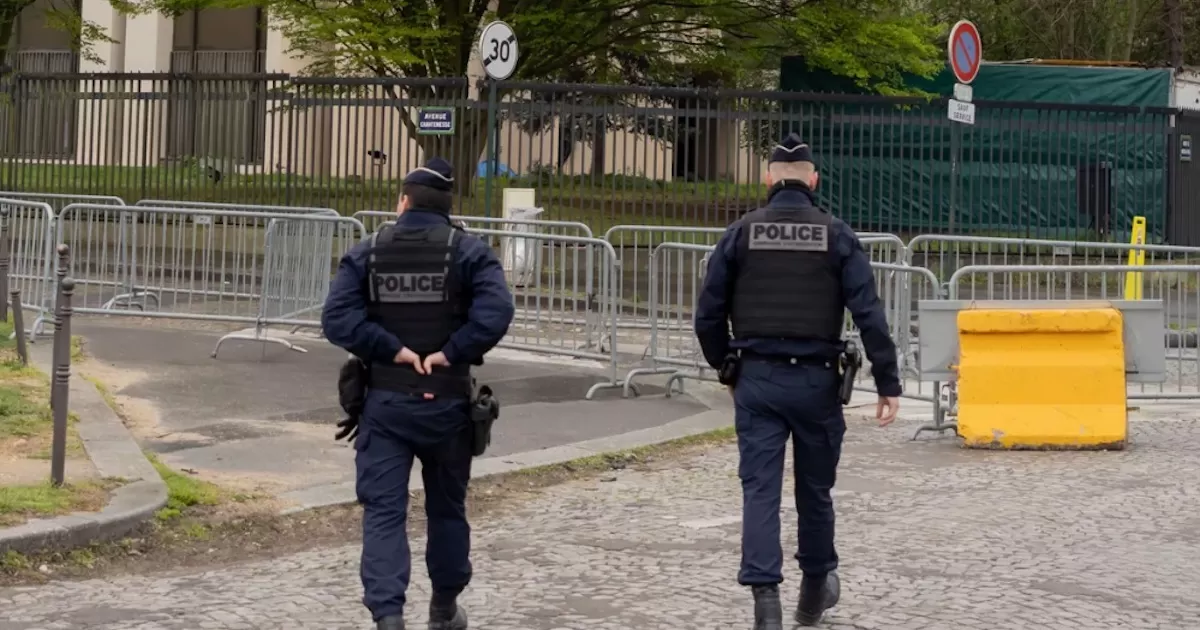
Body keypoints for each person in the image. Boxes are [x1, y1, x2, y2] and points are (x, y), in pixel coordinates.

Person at [693, 133, 901, 629]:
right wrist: (888, 381)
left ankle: (766, 605)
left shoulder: (741, 233)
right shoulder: (837, 234)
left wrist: (726, 367)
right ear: (814, 180)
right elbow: (869, 314)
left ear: (767, 179)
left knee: (759, 490)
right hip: (815, 383)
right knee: (815, 491)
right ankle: (814, 593)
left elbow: (706, 315)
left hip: (758, 381)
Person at [321, 157, 515, 630]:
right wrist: (450, 352)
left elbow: (336, 319)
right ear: (448, 207)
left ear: (404, 201)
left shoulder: (367, 252)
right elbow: (496, 312)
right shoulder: (469, 253)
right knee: (447, 510)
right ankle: (444, 609)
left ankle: (389, 617)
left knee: (384, 513)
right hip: (447, 404)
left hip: (386, 404)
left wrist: (393, 349)